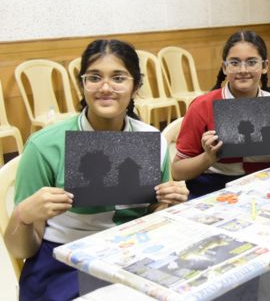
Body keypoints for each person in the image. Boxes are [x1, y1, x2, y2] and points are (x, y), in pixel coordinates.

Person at [5, 39, 189, 300]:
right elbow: (21, 249)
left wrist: (169, 203)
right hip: (65, 260)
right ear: (82, 84)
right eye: (94, 77)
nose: (105, 88)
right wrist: (23, 214)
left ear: (135, 85)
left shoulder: (151, 140)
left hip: (132, 254)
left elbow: (152, 215)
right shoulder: (44, 145)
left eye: (118, 78)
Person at [172, 31, 270, 199]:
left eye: (252, 62)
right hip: (213, 191)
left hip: (262, 188)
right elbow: (177, 172)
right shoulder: (202, 106)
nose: (243, 70)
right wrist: (208, 158)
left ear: (265, 66)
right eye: (235, 63)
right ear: (225, 68)